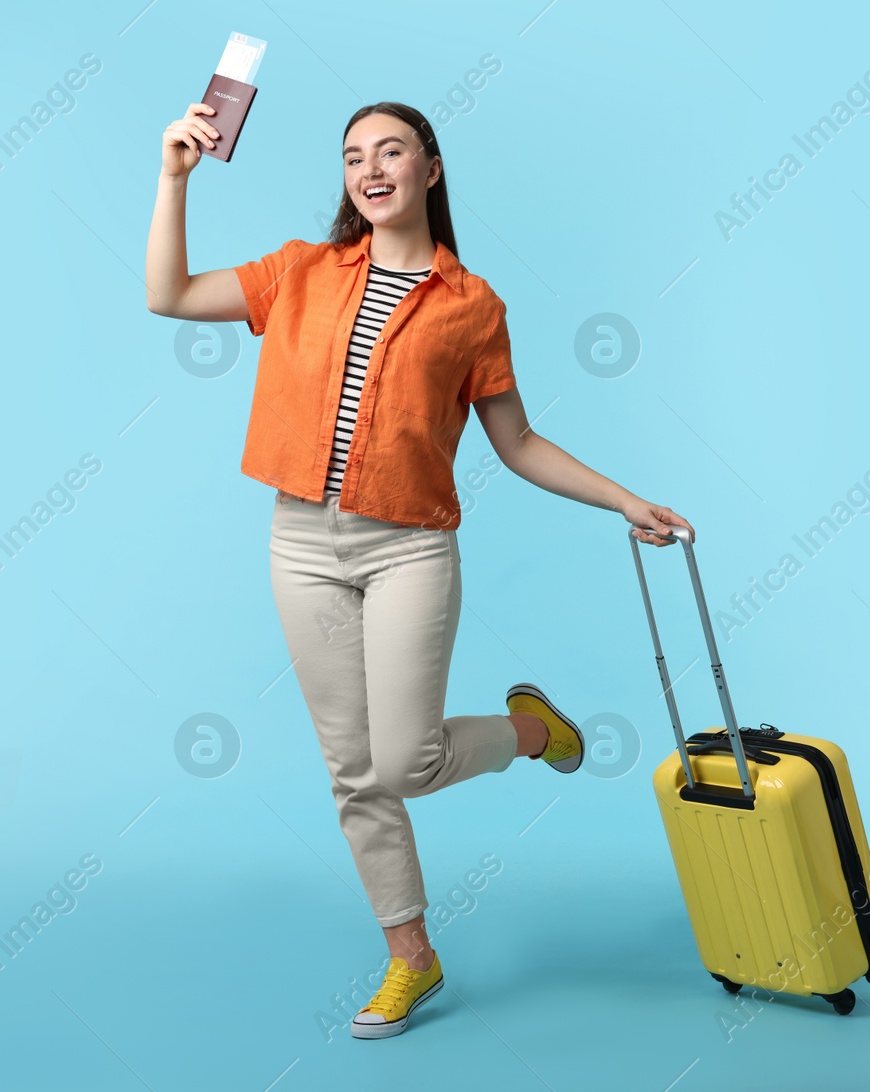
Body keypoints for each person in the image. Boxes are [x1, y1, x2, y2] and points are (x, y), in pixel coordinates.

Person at [145, 98, 692, 1039]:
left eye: (390, 149)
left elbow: (517, 443)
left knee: (406, 759)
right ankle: (413, 957)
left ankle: (529, 731)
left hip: (408, 547)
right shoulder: (301, 271)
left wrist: (625, 501)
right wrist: (173, 178)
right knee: (353, 771)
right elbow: (171, 295)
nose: (370, 167)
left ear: (430, 168)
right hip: (301, 544)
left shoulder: (472, 307)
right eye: (353, 155)